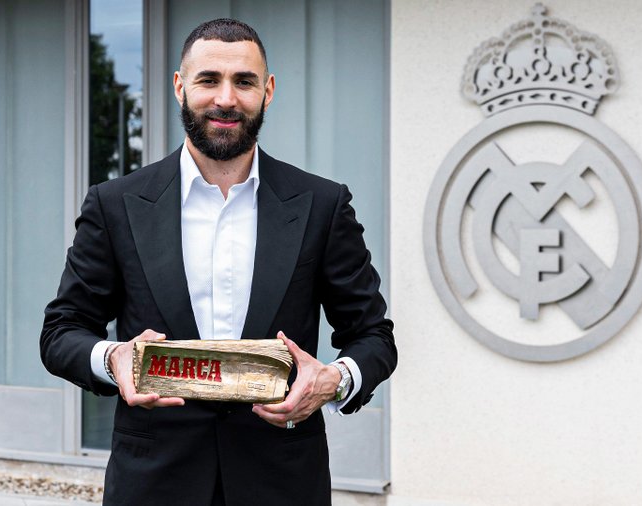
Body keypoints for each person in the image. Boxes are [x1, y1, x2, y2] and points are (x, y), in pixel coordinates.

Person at [40, 18, 396, 506]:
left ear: (268, 91)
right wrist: (113, 358)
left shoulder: (322, 204)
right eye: (209, 79)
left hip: (283, 485)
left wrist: (334, 381)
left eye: (244, 81)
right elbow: (61, 331)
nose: (226, 99)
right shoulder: (115, 204)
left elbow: (374, 336)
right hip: (152, 485)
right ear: (180, 86)